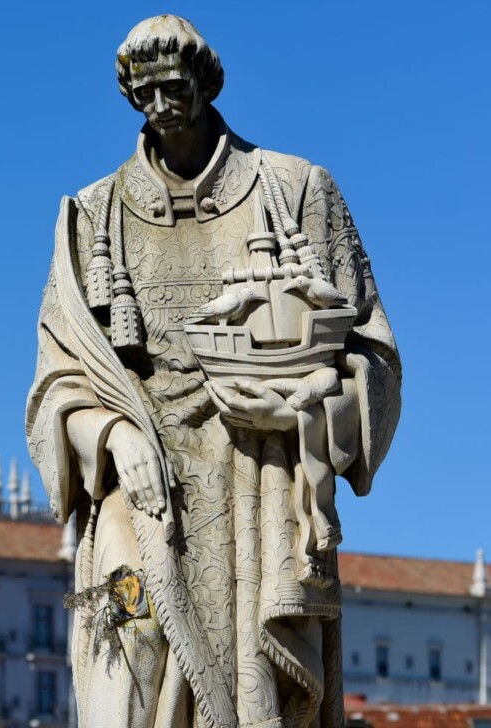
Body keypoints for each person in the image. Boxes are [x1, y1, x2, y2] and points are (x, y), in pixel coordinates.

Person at [25, 15, 401, 728]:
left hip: (263, 492)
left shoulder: (295, 191)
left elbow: (373, 357)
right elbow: (53, 388)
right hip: (140, 508)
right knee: (125, 678)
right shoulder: (89, 216)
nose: (160, 106)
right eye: (143, 93)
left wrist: (304, 411)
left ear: (206, 82)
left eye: (173, 87)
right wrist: (113, 439)